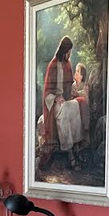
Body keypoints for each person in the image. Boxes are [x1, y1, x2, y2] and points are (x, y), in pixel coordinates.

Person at [40, 36, 74, 169]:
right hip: (53, 102)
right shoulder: (53, 65)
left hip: (64, 100)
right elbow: (47, 92)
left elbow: (69, 85)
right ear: (64, 50)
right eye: (68, 51)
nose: (69, 54)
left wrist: (69, 96)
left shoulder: (68, 65)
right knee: (64, 110)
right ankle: (69, 151)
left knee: (75, 106)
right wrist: (56, 98)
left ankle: (75, 146)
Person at [56, 62, 90, 170]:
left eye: (78, 71)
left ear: (82, 75)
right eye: (75, 71)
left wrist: (79, 94)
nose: (75, 73)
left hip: (82, 110)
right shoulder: (73, 85)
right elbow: (71, 97)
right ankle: (73, 152)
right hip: (74, 108)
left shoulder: (85, 86)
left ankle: (77, 151)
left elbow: (86, 99)